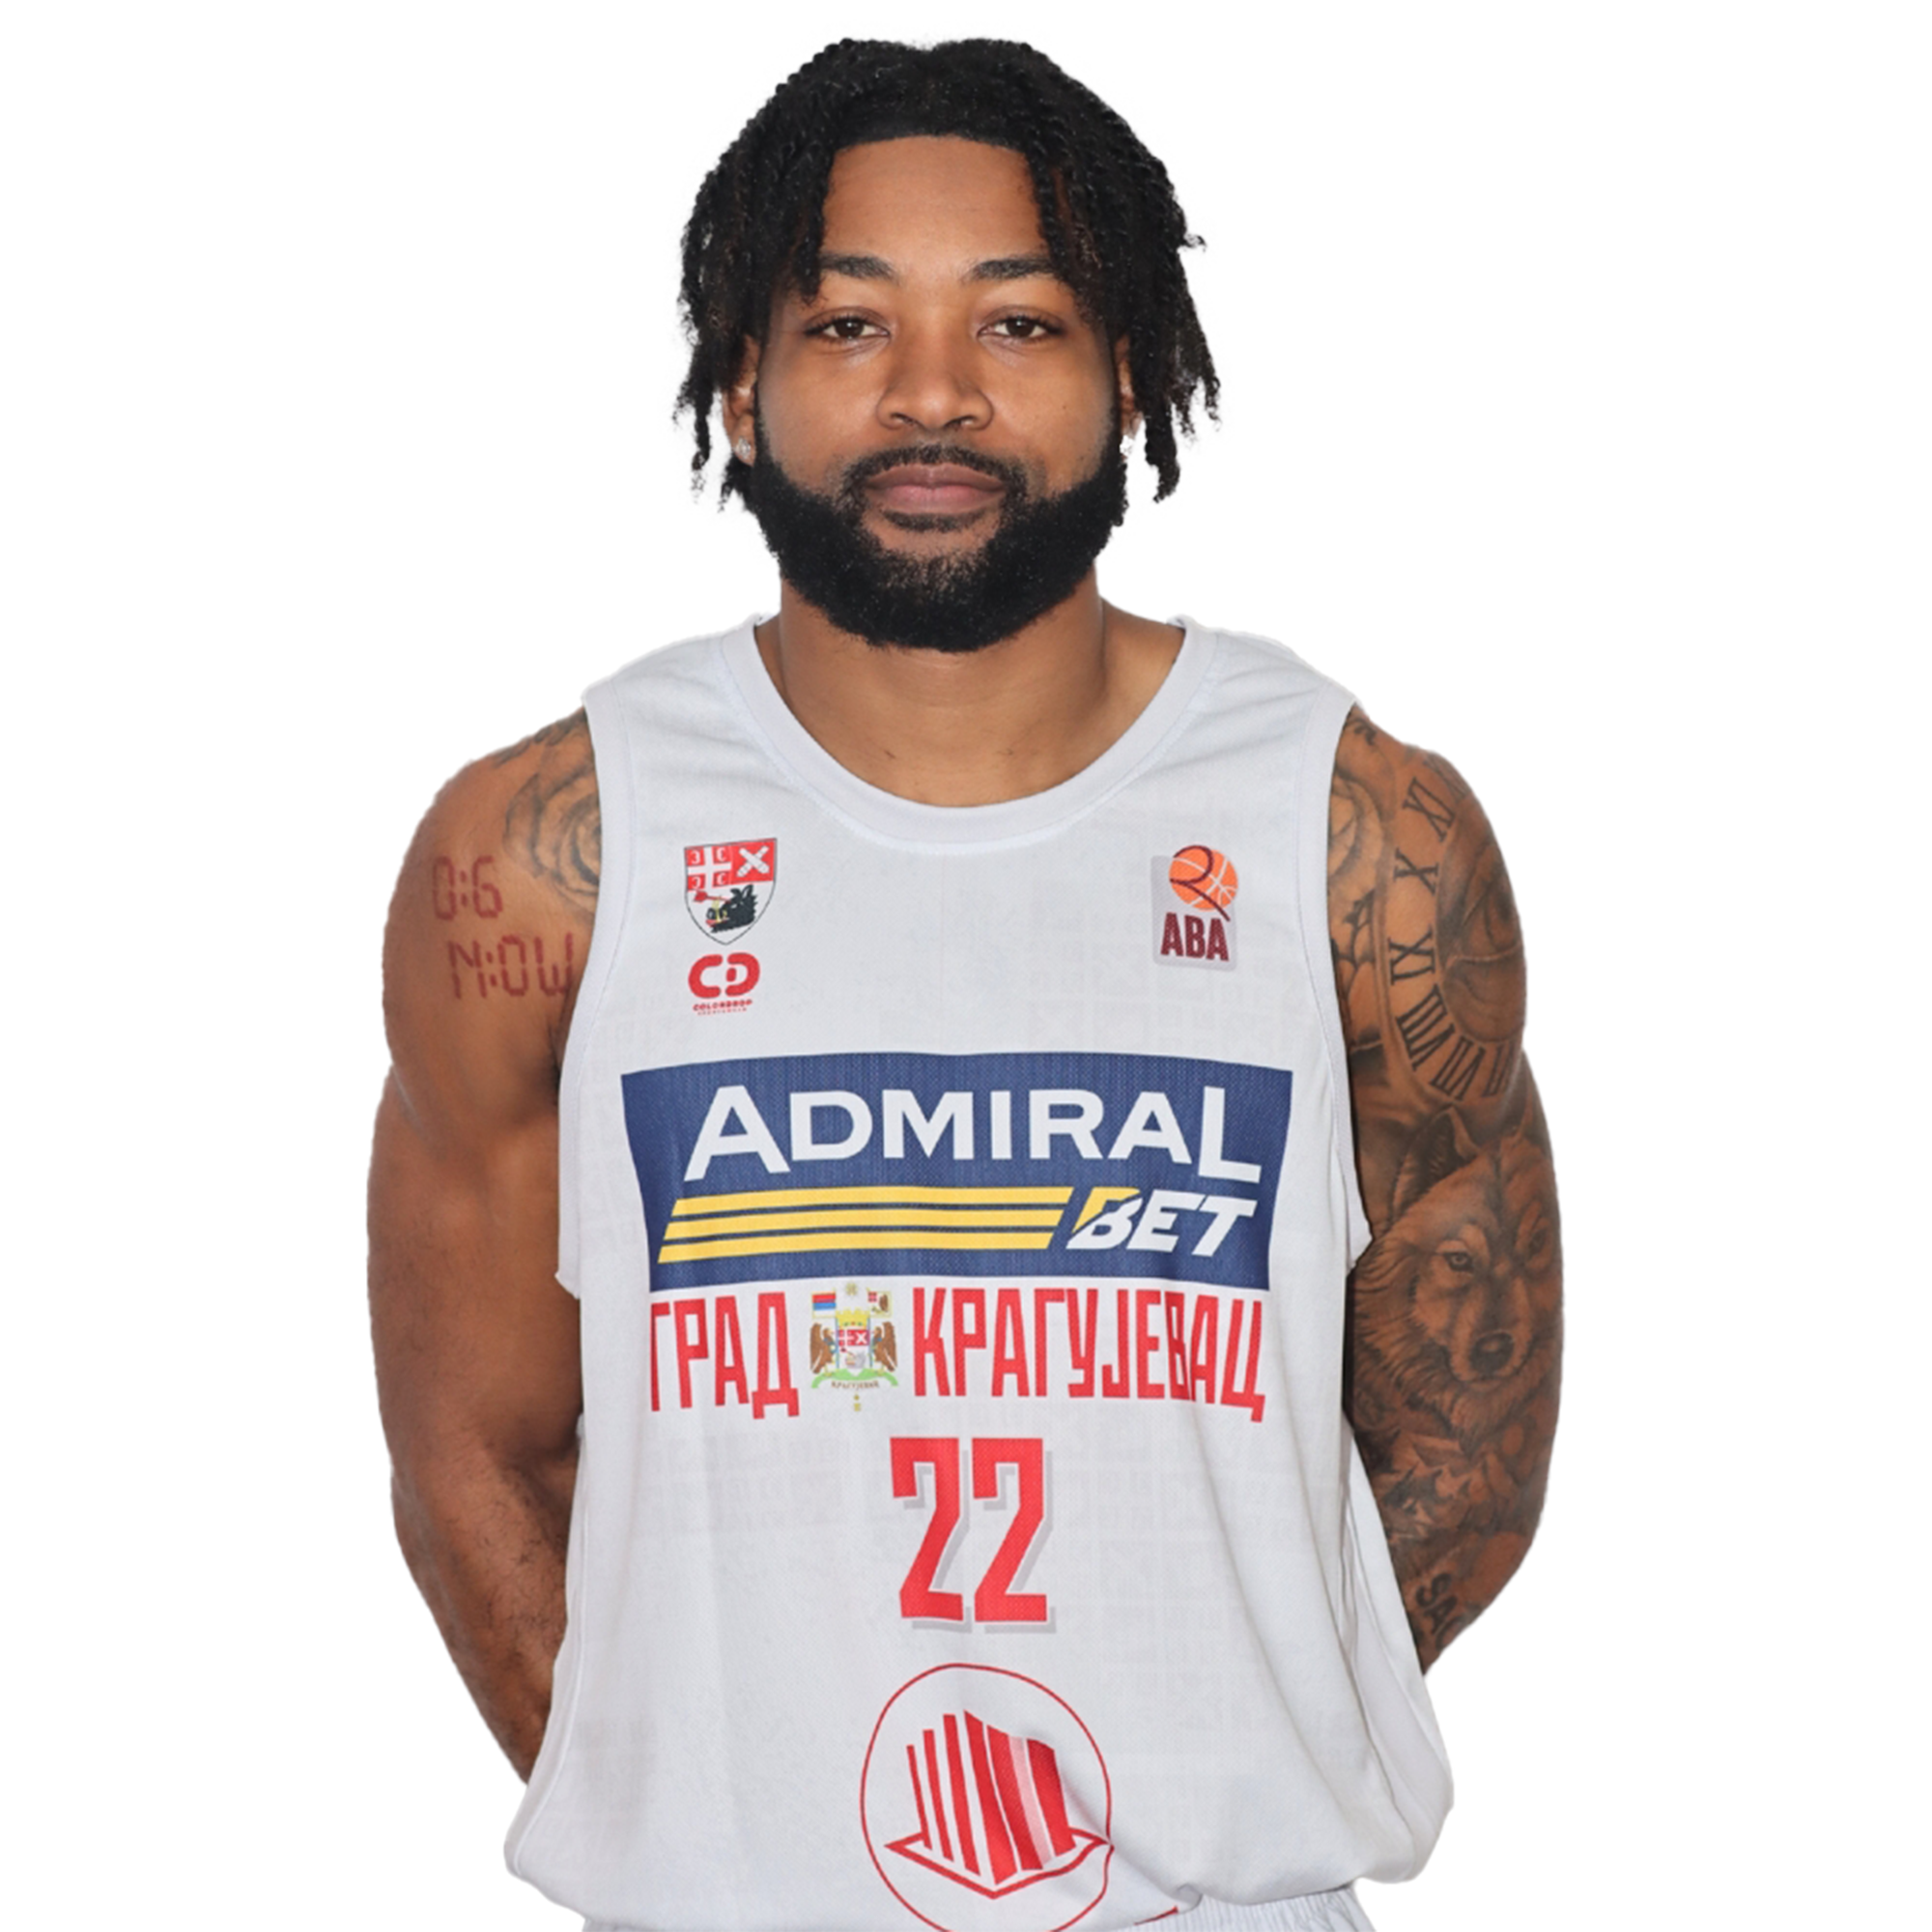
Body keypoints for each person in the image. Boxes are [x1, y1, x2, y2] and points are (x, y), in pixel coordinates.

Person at [367, 32, 1563, 1932]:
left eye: (1018, 323)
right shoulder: (542, 853)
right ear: (742, 380)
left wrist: (1206, 1733)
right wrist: (722, 1844)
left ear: (1132, 375)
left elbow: (1465, 1451)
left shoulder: (1357, 837)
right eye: (850, 325)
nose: (933, 395)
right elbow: (475, 1458)